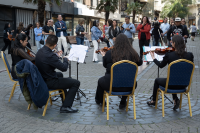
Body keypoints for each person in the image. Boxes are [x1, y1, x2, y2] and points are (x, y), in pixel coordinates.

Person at [95, 33, 143, 109]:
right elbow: (140, 62)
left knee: (100, 81)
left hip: (111, 84)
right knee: (126, 79)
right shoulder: (133, 53)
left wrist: (104, 56)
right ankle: (123, 102)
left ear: (116, 42)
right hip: (130, 85)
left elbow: (105, 65)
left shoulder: (110, 53)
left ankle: (100, 101)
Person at [147, 35, 194, 110]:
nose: (171, 44)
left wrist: (153, 58)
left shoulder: (169, 55)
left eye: (172, 42)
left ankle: (154, 101)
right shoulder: (190, 55)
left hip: (171, 84)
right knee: (174, 77)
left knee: (157, 80)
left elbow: (161, 65)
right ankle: (175, 100)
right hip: (184, 84)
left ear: (174, 43)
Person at [35, 35, 80, 113]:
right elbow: (64, 68)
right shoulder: (50, 56)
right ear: (55, 45)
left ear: (46, 41)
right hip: (49, 81)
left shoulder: (40, 51)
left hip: (41, 78)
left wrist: (56, 56)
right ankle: (66, 107)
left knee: (59, 75)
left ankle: (65, 100)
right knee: (76, 83)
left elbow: (49, 60)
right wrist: (65, 59)